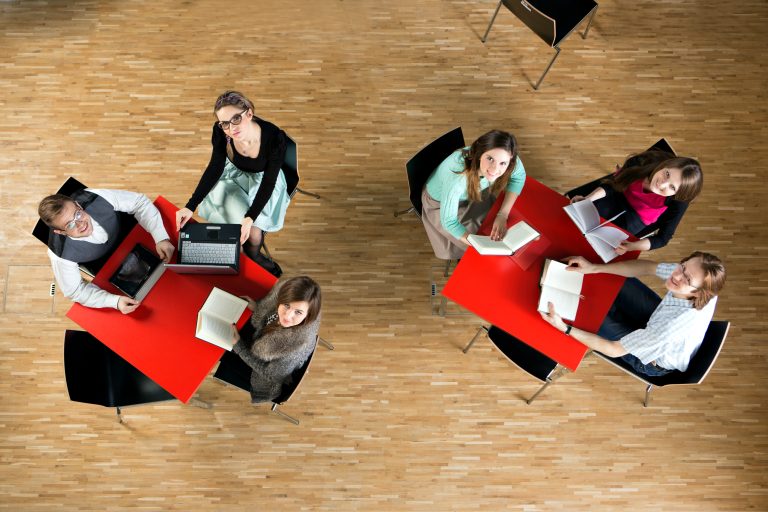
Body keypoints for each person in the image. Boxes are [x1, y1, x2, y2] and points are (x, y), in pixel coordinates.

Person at [540, 252, 726, 376]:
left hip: (652, 359)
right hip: (657, 321)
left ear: (698, 293)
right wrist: (594, 268)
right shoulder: (693, 274)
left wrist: (565, 328)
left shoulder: (671, 327)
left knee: (589, 315)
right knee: (616, 280)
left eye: (686, 279)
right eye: (682, 267)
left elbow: (614, 349)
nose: (677, 275)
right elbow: (647, 268)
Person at [175, 90, 291, 264]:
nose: (231, 129)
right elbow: (215, 167)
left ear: (249, 114)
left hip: (264, 181)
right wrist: (190, 206)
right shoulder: (221, 131)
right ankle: (243, 259)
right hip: (234, 177)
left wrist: (250, 217)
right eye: (225, 123)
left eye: (236, 119)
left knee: (253, 233)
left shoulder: (274, 137)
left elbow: (269, 182)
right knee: (236, 230)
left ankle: (255, 258)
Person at [38, 189, 174, 314]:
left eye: (77, 214)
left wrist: (160, 236)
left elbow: (139, 202)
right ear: (61, 232)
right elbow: (74, 291)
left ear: (78, 205)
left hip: (138, 236)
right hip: (109, 268)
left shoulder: (95, 197)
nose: (81, 224)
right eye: (70, 225)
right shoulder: (59, 254)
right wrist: (114, 301)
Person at [567, 150, 703, 254]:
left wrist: (631, 246)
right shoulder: (643, 161)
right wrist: (588, 199)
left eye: (672, 187)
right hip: (619, 194)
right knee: (576, 221)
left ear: (677, 194)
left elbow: (663, 238)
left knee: (600, 246)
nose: (662, 184)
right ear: (665, 165)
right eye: (667, 174)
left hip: (638, 218)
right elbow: (614, 184)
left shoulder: (679, 201)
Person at [421, 130, 526, 260]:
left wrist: (503, 214)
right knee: (479, 250)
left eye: (502, 163)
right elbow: (449, 222)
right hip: (440, 203)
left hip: (471, 194)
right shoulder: (457, 178)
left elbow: (518, 177)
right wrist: (481, 246)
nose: (494, 169)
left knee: (502, 225)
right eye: (490, 159)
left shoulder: (506, 156)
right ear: (479, 153)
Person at [231, 276, 321, 403]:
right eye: (286, 305)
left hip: (263, 375)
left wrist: (239, 348)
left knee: (218, 352)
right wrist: (257, 307)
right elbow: (272, 316)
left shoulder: (292, 349)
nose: (287, 316)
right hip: (259, 338)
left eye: (298, 312)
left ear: (308, 315)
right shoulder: (282, 308)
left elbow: (271, 375)